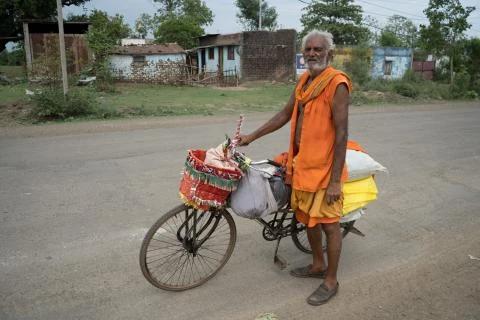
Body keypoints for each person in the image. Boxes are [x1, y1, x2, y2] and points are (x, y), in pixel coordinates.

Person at [238, 30, 352, 306]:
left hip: (325, 171)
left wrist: (336, 181)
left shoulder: (336, 84)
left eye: (318, 49)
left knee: (329, 225)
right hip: (301, 166)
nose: (312, 53)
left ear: (330, 54)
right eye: (308, 49)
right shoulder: (304, 81)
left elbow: (342, 133)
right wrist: (251, 137)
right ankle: (317, 265)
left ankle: (331, 280)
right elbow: (284, 114)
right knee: (305, 219)